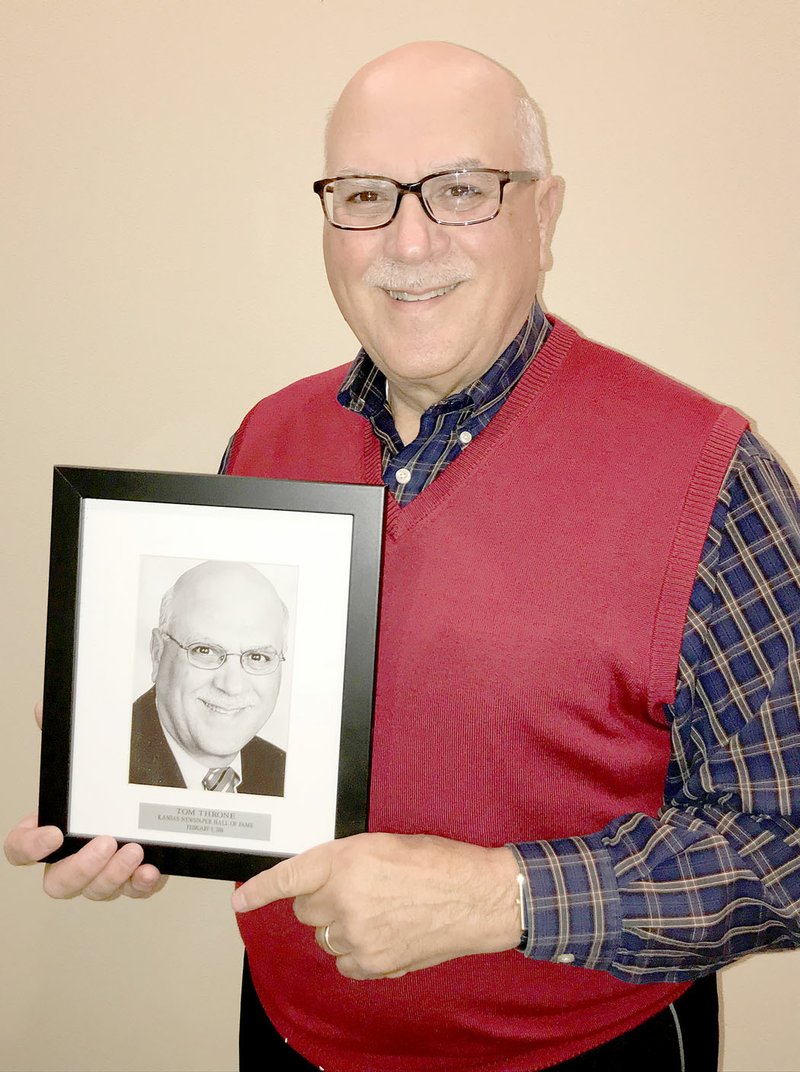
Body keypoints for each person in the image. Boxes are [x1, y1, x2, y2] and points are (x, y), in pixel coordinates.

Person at [5, 40, 799, 1072]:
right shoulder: (266, 439)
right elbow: (264, 741)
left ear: (542, 213)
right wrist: (130, 783)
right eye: (364, 194)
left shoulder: (708, 472)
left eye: (462, 189)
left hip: (573, 1053)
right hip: (292, 1035)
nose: (407, 241)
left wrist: (498, 898)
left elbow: (785, 843)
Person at [128, 560, 288, 797]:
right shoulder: (105, 759)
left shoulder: (284, 775)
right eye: (205, 650)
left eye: (258, 656)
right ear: (157, 652)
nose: (232, 686)